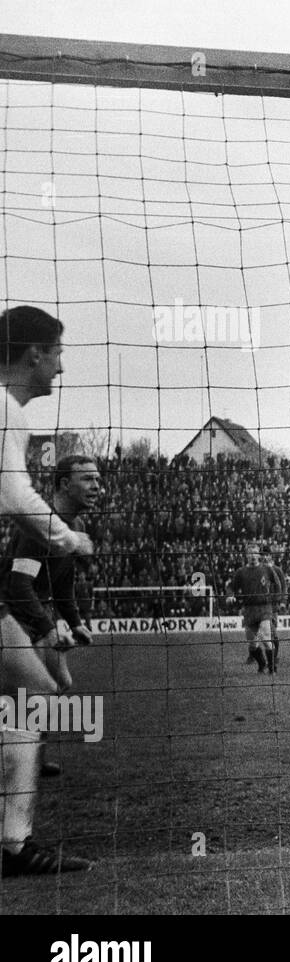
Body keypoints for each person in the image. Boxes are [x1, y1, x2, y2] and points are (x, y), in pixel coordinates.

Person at [0, 305, 96, 876]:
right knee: (32, 696)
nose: (60, 369)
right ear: (34, 353)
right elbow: (14, 498)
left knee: (31, 693)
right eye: (57, 354)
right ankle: (13, 844)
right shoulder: (6, 414)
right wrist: (68, 540)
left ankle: (15, 842)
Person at [0, 454, 101, 779]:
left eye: (98, 479)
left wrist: (75, 623)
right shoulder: (38, 527)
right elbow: (17, 585)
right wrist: (47, 629)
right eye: (87, 479)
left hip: (32, 613)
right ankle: (22, 760)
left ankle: (31, 757)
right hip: (11, 613)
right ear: (63, 484)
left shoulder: (76, 527)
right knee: (39, 689)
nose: (97, 486)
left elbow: (62, 584)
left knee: (56, 684)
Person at [228, 543, 278, 674]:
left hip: (264, 608)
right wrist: (230, 595)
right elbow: (231, 587)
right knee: (252, 644)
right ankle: (262, 665)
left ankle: (272, 669)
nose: (253, 556)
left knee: (266, 638)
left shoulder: (266, 569)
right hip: (249, 610)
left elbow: (277, 584)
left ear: (259, 555)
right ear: (246, 555)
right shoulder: (241, 572)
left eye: (255, 553)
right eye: (250, 553)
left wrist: (275, 600)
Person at [263, 546, 287, 670]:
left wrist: (283, 601)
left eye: (267, 555)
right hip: (259, 606)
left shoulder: (277, 570)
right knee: (257, 635)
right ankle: (254, 654)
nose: (265, 557)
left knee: (272, 633)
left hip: (273, 606)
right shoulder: (258, 570)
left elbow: (283, 586)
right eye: (263, 555)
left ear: (270, 556)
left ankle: (273, 660)